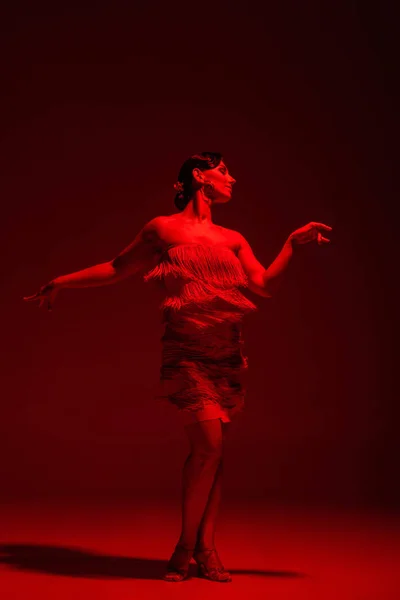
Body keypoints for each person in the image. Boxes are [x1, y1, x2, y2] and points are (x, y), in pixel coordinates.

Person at [24, 151, 332, 582]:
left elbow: (263, 286)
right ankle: (186, 546)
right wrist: (61, 282)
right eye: (224, 170)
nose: (233, 178)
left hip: (226, 352)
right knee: (208, 446)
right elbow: (116, 268)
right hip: (186, 351)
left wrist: (290, 245)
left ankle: (205, 550)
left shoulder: (233, 238)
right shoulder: (163, 229)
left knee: (215, 452)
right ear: (198, 175)